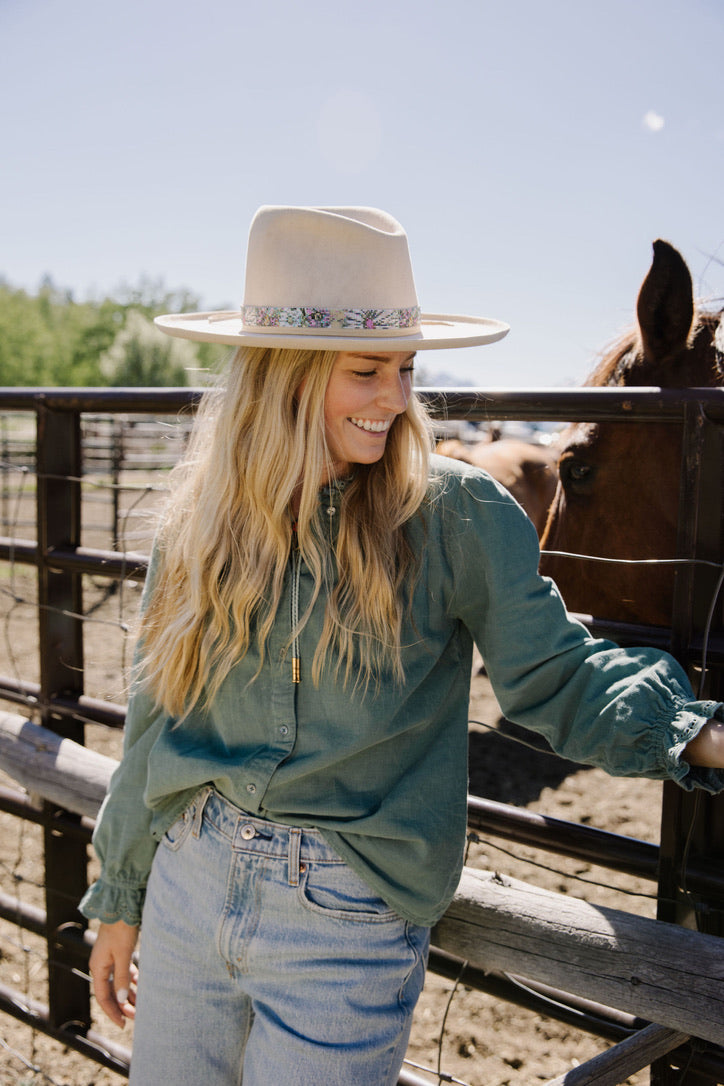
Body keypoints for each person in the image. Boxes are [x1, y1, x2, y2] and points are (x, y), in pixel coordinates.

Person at [81, 205, 724, 1086]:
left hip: (343, 919)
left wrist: (695, 732)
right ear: (285, 376)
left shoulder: (455, 513)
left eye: (406, 368)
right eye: (365, 371)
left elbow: (554, 674)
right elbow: (154, 719)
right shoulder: (200, 523)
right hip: (190, 880)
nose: (397, 398)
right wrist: (119, 897)